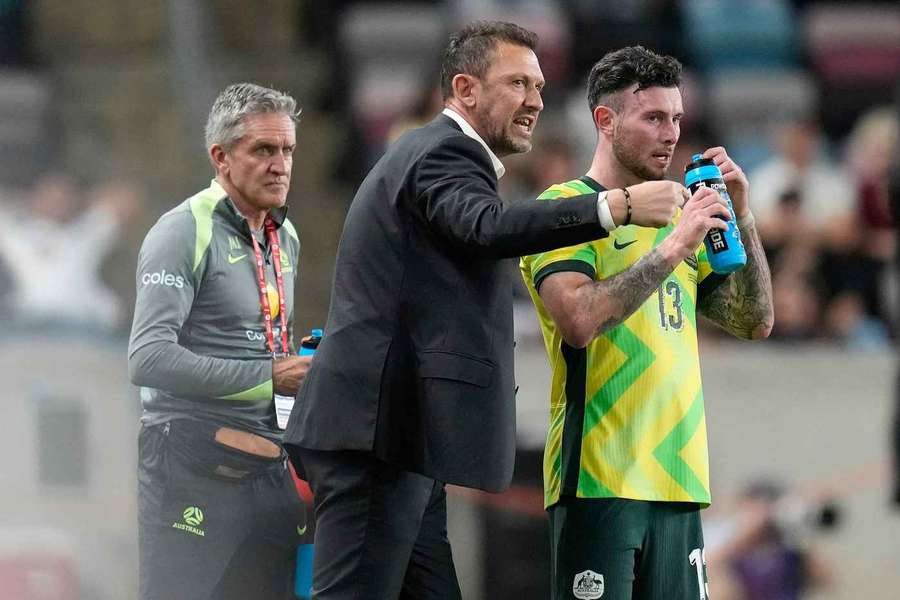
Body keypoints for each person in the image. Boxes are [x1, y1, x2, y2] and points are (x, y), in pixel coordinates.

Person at [284, 21, 687, 600]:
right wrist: (614, 205)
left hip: (404, 437)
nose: (535, 100)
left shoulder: (431, 155)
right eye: (518, 83)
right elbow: (487, 228)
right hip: (376, 435)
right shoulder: (443, 150)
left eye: (541, 86)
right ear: (466, 90)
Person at [518, 46, 774, 600]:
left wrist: (744, 215)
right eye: (653, 117)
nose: (671, 134)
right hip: (598, 479)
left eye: (677, 118)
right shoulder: (564, 208)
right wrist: (673, 248)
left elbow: (754, 321)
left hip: (680, 476)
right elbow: (580, 320)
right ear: (605, 121)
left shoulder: (683, 212)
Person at [128, 83, 311, 600]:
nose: (280, 165)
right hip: (191, 468)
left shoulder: (284, 235)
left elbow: (269, 343)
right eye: (264, 150)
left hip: (270, 470)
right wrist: (270, 375)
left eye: (288, 150)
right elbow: (147, 358)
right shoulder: (183, 230)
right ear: (221, 157)